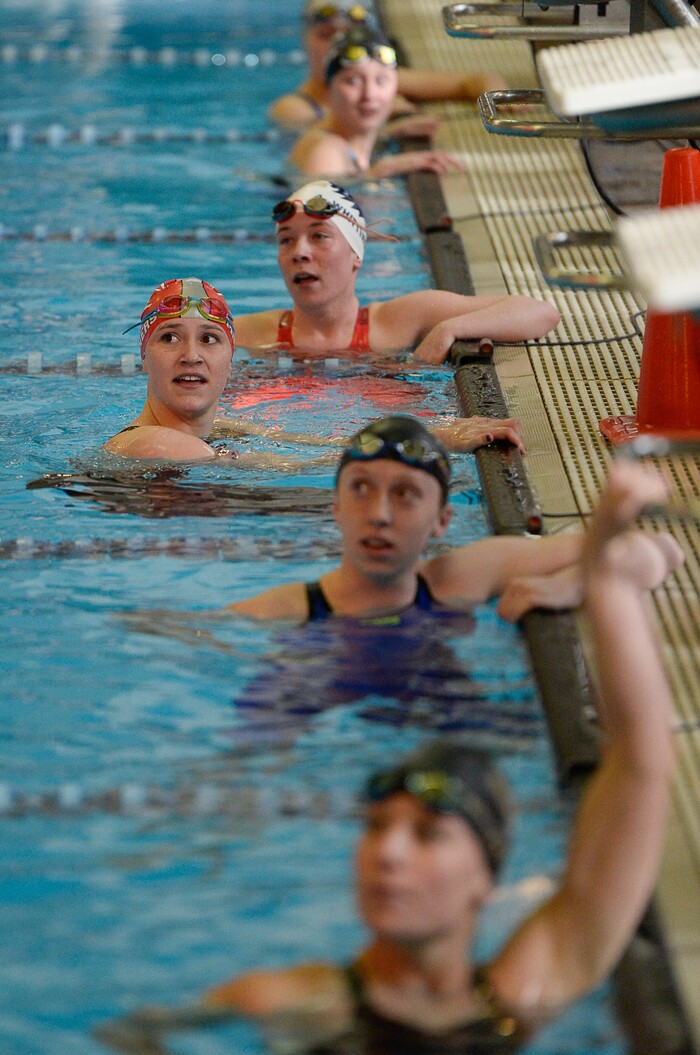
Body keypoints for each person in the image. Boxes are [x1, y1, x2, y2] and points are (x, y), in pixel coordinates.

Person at [96, 460, 679, 1051]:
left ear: (486, 879)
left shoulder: (527, 991)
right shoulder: (283, 1003)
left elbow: (642, 765)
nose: (387, 855)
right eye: (376, 827)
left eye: (427, 834)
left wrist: (603, 572)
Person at [123, 416, 682, 630]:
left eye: (406, 496)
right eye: (361, 490)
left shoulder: (462, 576)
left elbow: (658, 549)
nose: (381, 514)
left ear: (442, 521)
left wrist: (567, 586)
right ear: (336, 508)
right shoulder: (285, 609)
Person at [104, 278, 527, 462]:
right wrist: (429, 443)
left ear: (231, 359)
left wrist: (437, 430)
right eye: (169, 337)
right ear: (144, 356)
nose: (191, 355)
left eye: (209, 339)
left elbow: (321, 441)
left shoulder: (215, 431)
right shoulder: (160, 444)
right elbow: (301, 464)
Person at [233, 180, 561, 363]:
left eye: (319, 236)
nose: (299, 253)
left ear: (355, 255)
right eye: (286, 240)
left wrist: (448, 329)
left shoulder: (400, 319)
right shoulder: (249, 334)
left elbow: (539, 312)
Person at [269, 0, 507, 131]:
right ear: (304, 41)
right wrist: (382, 115)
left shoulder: (382, 81)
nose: (337, 45)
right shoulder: (293, 109)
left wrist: (496, 98)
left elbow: (472, 82)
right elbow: (324, 152)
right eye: (325, 35)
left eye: (350, 34)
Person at [287, 24, 467, 180]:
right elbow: (317, 217)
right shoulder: (326, 151)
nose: (370, 95)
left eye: (381, 81)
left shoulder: (348, 140)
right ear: (329, 89)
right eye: (353, 81)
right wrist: (377, 174)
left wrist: (385, 134)